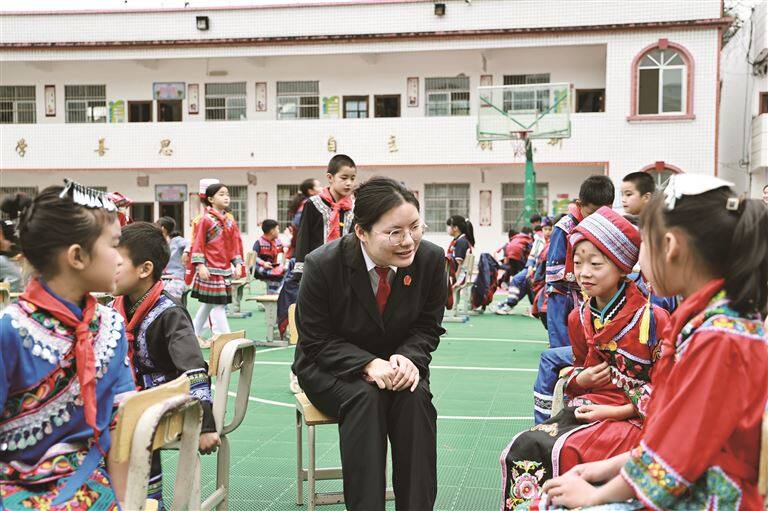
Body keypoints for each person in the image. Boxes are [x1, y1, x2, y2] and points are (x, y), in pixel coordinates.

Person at [534, 174, 768, 510]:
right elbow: (672, 436)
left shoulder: (718, 337)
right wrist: (601, 468)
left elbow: (677, 456)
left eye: (643, 243)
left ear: (670, 247)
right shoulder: (709, 323)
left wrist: (597, 495)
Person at [293, 177, 446, 511]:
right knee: (365, 398)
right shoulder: (322, 265)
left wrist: (408, 358)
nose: (408, 241)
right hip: (330, 368)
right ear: (361, 231)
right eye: (394, 232)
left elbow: (427, 327)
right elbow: (316, 340)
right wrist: (367, 363)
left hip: (397, 366)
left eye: (415, 227)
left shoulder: (431, 259)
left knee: (415, 398)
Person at [500, 207, 669, 510]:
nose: (584, 273)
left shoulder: (653, 319)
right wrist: (581, 379)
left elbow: (668, 391)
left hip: (636, 419)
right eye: (577, 263)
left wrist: (617, 411)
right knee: (524, 445)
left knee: (565, 450)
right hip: (589, 409)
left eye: (595, 264)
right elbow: (579, 370)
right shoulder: (578, 317)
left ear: (622, 267)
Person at [0, 183, 136, 509]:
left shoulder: (110, 328)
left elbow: (119, 431)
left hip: (89, 487)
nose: (120, 258)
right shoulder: (11, 332)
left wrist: (125, 504)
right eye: (114, 245)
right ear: (77, 256)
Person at [112, 222, 219, 508]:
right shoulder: (115, 309)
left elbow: (194, 369)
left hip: (166, 404)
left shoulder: (169, 313)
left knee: (129, 422)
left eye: (117, 261)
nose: (109, 267)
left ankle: (146, 501)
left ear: (145, 269)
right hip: (131, 401)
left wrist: (205, 424)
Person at [536, 176, 614, 423]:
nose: (596, 219)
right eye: (591, 213)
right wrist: (583, 276)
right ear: (580, 204)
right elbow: (554, 272)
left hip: (589, 304)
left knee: (580, 360)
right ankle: (552, 419)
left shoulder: (602, 227)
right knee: (563, 359)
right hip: (564, 302)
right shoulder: (564, 227)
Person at [190, 183, 244, 339]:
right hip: (210, 269)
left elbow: (234, 246)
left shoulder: (230, 222)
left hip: (224, 270)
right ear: (210, 199)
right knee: (219, 305)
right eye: (221, 194)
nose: (226, 197)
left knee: (208, 305)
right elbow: (198, 243)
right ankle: (228, 338)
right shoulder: (205, 220)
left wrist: (238, 263)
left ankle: (193, 335)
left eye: (227, 194)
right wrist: (200, 265)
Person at [293, 154, 357, 279]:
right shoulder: (314, 204)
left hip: (345, 271)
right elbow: (303, 237)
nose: (349, 183)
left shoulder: (354, 207)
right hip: (316, 270)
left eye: (352, 178)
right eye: (344, 178)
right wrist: (300, 272)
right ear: (330, 177)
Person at [286, 178, 323, 260]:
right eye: (319, 186)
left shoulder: (311, 204)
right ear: (311, 191)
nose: (322, 188)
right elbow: (298, 227)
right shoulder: (308, 205)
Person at [156, 216, 189, 304]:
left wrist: (186, 252)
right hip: (161, 278)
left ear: (163, 228)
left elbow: (190, 243)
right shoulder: (159, 243)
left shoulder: (177, 241)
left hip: (176, 278)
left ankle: (176, 312)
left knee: (170, 292)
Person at [445, 215, 475, 309]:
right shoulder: (459, 240)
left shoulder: (461, 242)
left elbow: (458, 264)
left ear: (455, 228)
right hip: (454, 274)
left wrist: (455, 281)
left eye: (449, 226)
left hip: (456, 276)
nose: (447, 228)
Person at [253, 218, 285, 294]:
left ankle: (273, 292)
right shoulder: (259, 242)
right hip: (262, 269)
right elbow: (254, 257)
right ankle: (272, 292)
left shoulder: (278, 242)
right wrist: (263, 263)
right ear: (272, 231)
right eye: (277, 229)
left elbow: (283, 254)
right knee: (254, 267)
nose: (278, 231)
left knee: (285, 270)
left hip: (274, 268)